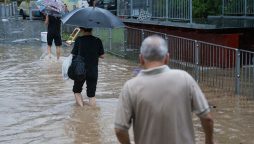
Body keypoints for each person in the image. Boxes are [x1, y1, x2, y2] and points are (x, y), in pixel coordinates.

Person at [114, 35, 215, 144]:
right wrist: (209, 141)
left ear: (141, 58)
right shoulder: (185, 78)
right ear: (167, 58)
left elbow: (120, 129)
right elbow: (207, 118)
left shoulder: (130, 87)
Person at [71, 27, 104, 107]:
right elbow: (102, 56)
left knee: (77, 90)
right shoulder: (97, 40)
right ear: (92, 29)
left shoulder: (79, 40)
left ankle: (81, 110)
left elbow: (73, 54)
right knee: (91, 95)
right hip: (93, 71)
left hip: (80, 70)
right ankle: (93, 114)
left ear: (82, 30)